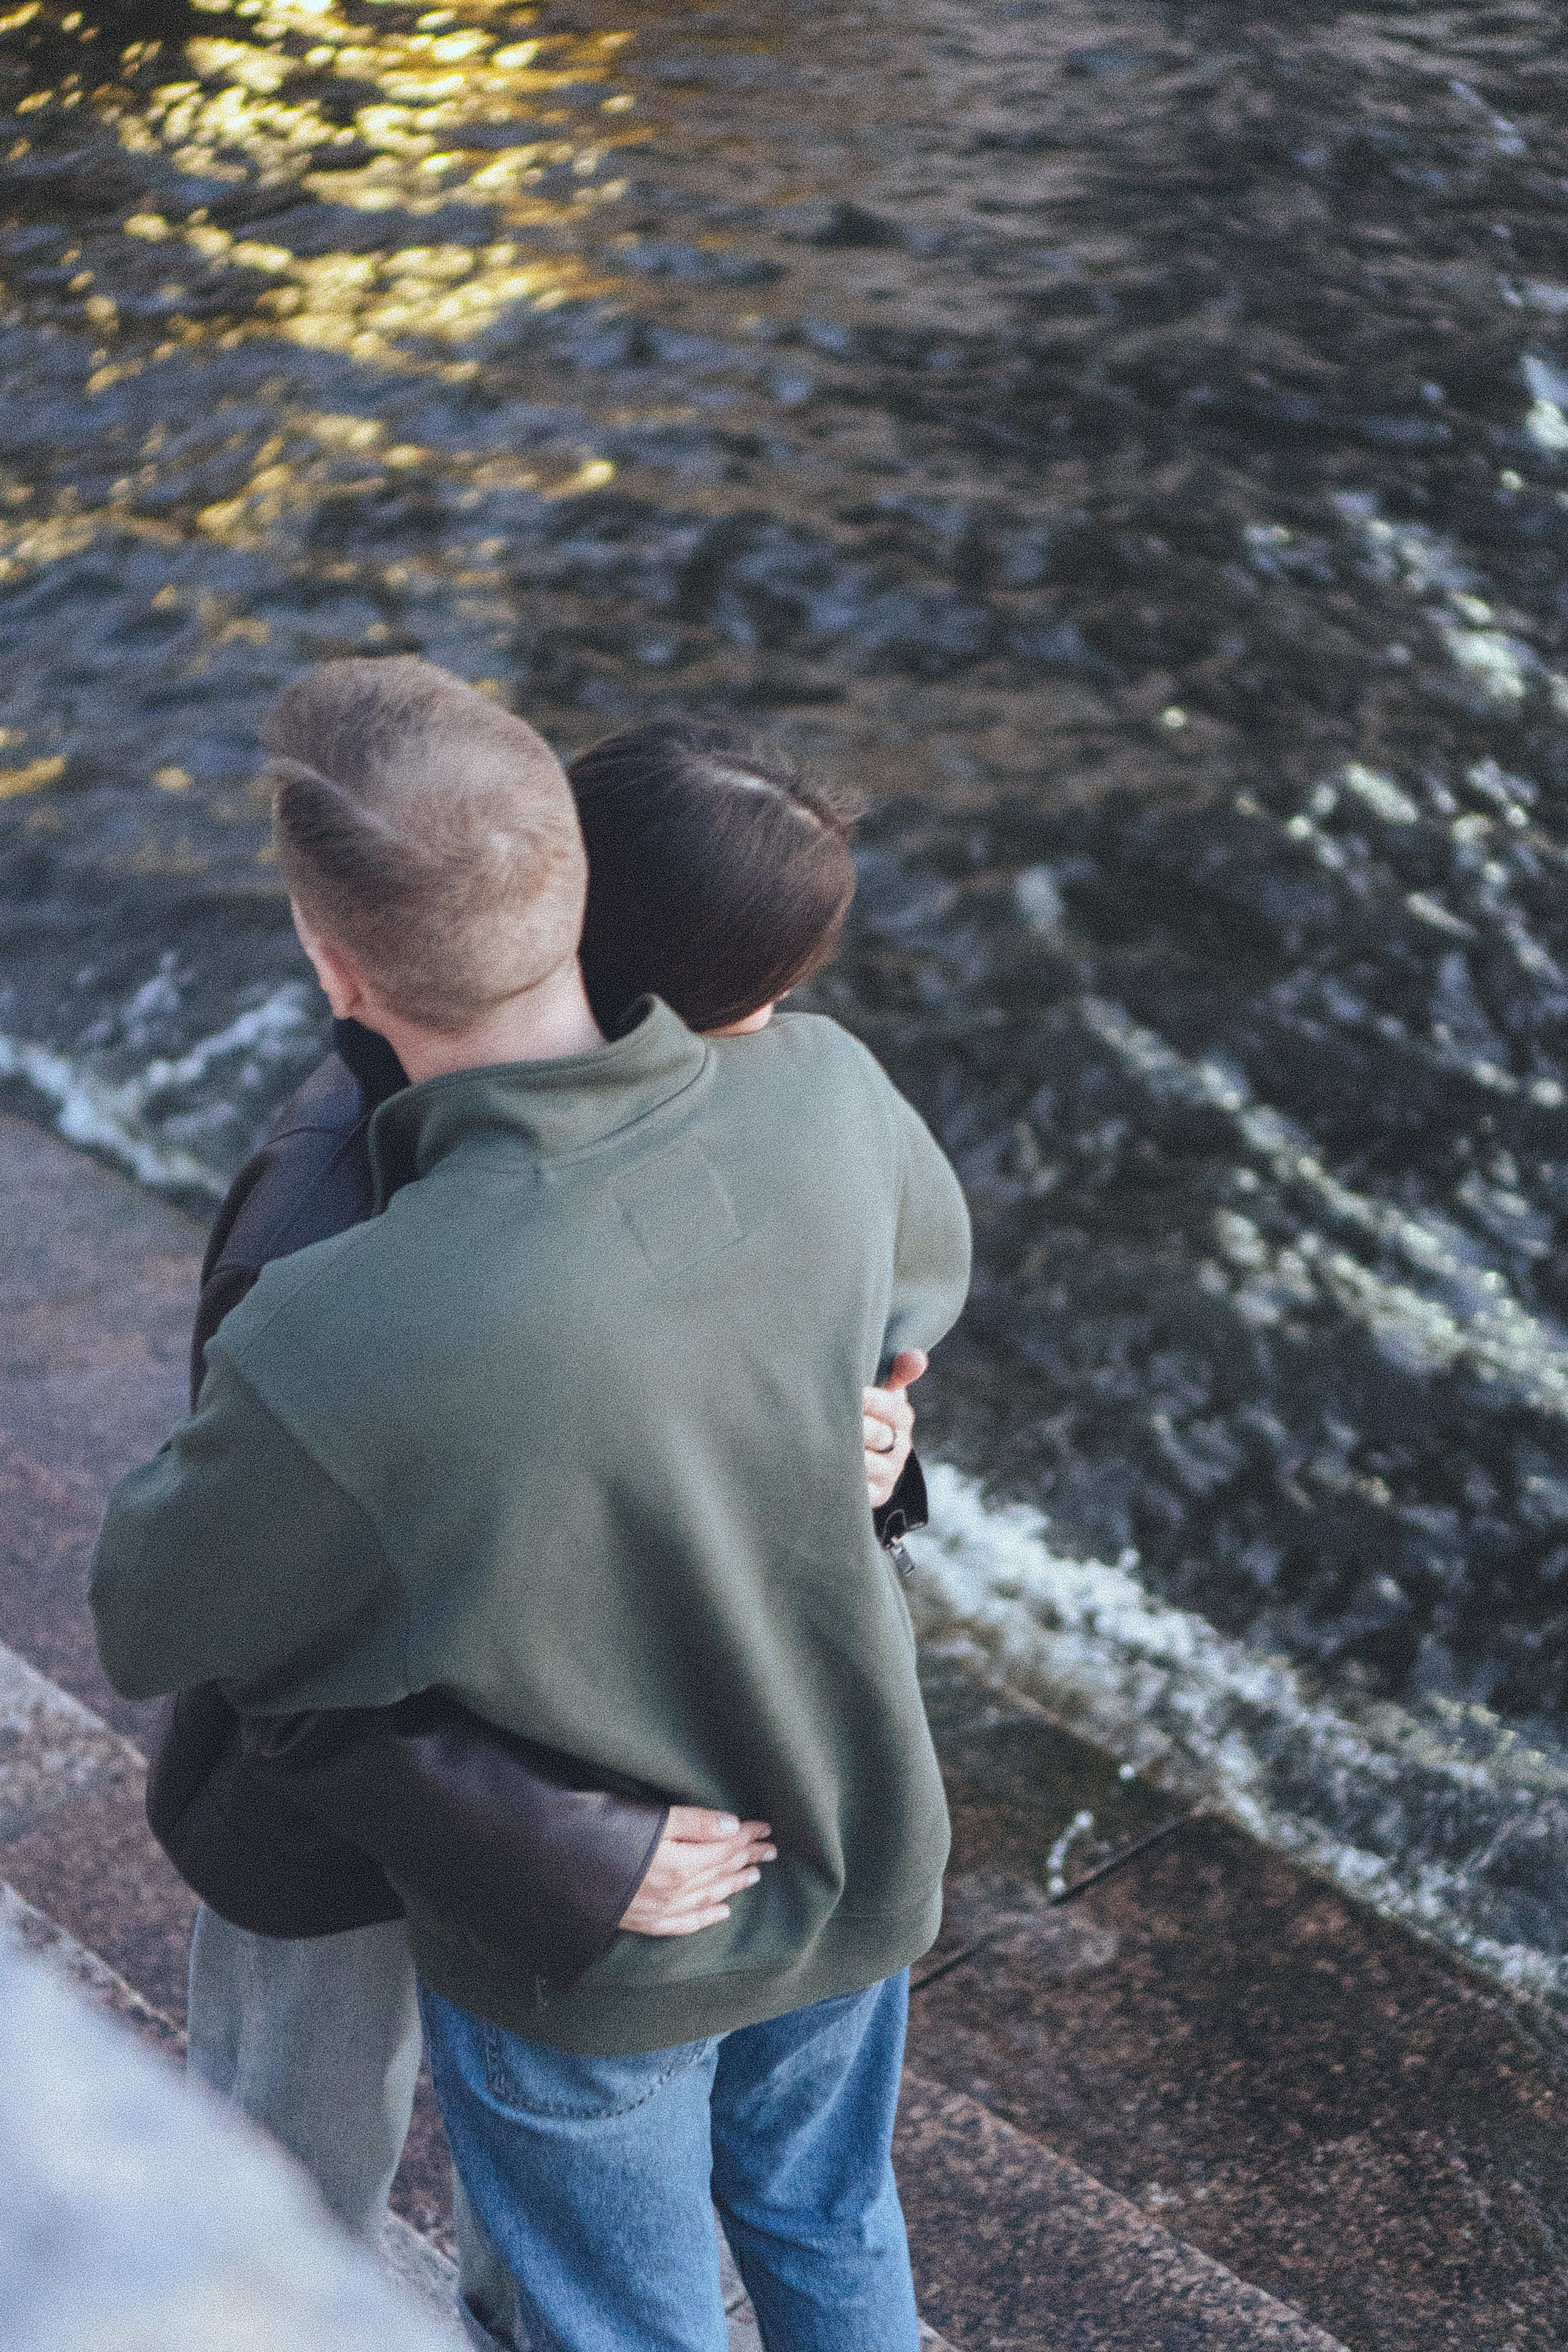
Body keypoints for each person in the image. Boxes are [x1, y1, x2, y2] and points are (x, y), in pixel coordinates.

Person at [92, 657, 971, 2352]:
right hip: (857, 1838)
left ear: (336, 964)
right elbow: (912, 1295)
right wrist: (863, 1424)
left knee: (616, 2321)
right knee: (834, 2225)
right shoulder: (834, 1096)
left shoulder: (346, 1320)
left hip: (614, 1964)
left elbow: (155, 1614)